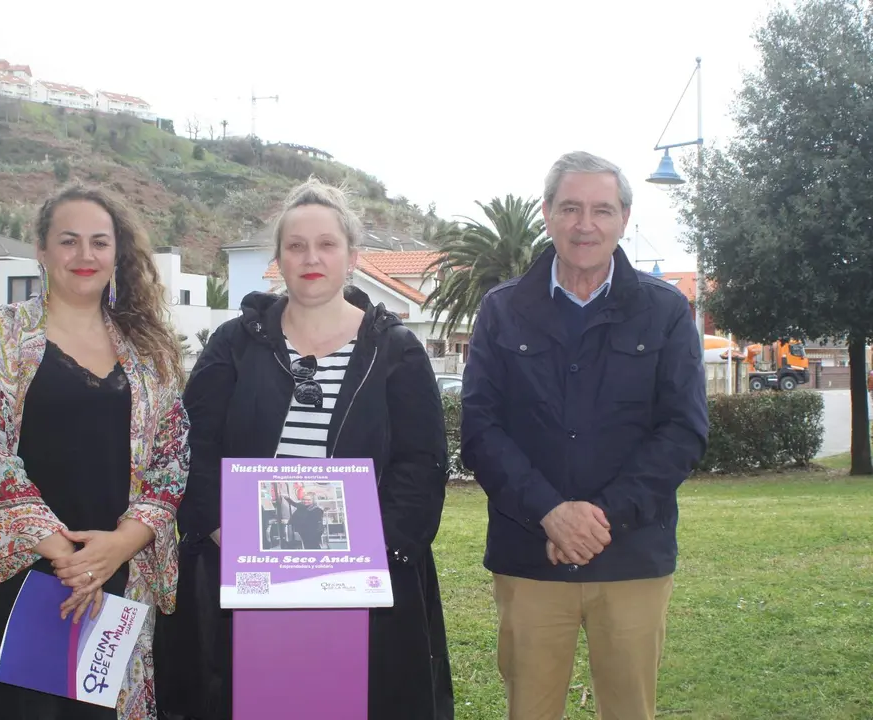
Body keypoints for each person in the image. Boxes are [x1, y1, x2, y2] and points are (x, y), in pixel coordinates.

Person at [153, 177, 454, 720]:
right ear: (279, 259)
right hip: (240, 581)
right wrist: (223, 530)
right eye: (296, 246)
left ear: (352, 257)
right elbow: (191, 443)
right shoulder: (234, 344)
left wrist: (362, 560)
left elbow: (421, 464)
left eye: (326, 244)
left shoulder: (396, 352)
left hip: (358, 590)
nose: (311, 257)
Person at [0, 186, 191, 720]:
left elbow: (171, 465)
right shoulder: (1, 335)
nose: (85, 256)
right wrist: (67, 556)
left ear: (117, 253)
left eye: (100, 242)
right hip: (15, 580)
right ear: (41, 249)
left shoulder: (150, 352)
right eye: (69, 241)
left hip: (114, 580)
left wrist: (117, 548)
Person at [461, 151, 709, 720]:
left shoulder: (666, 311)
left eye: (601, 209)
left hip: (632, 556)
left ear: (624, 217)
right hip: (529, 555)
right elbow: (481, 428)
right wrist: (549, 512)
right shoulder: (502, 312)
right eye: (570, 207)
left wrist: (599, 520)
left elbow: (683, 430)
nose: (585, 224)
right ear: (547, 213)